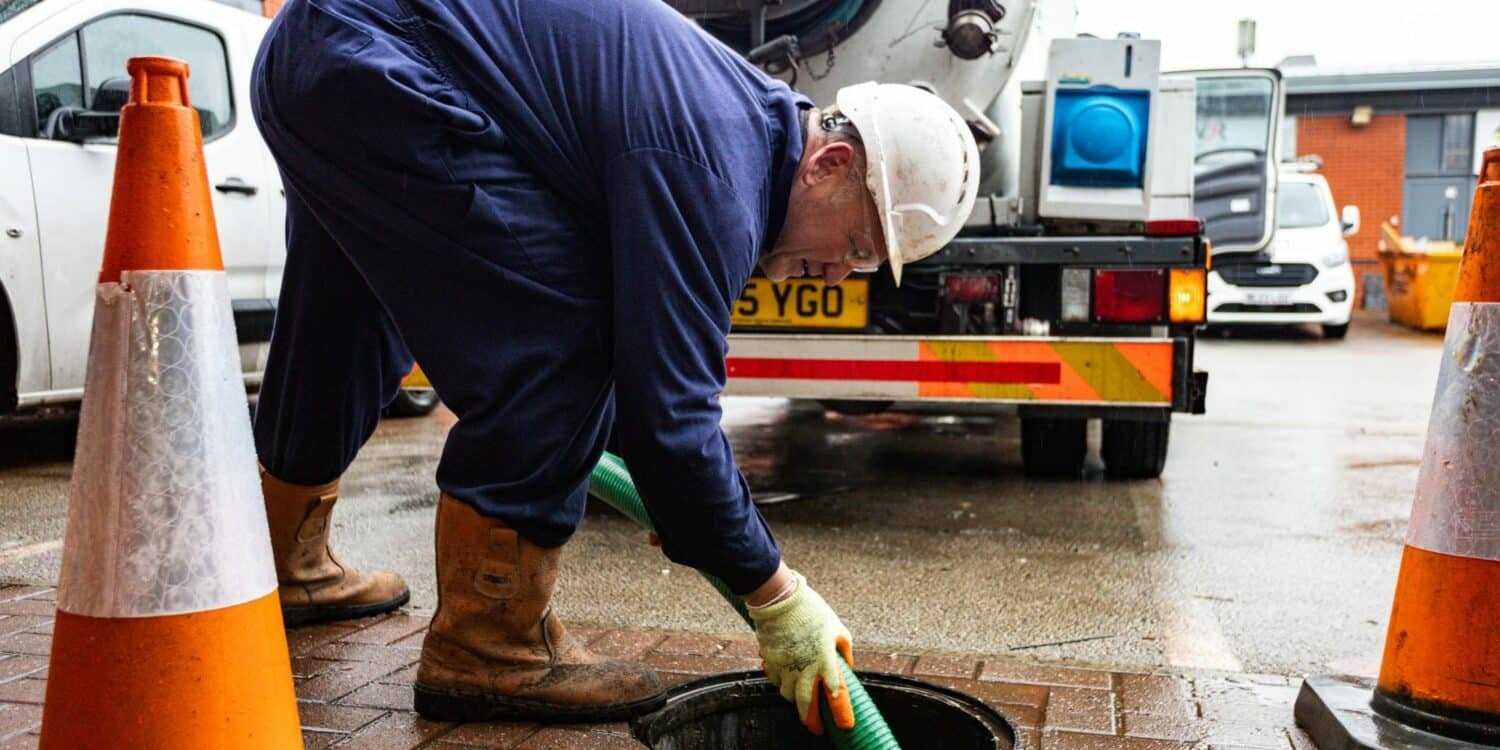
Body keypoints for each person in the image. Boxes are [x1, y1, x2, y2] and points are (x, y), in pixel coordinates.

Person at [249, 0, 978, 733]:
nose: (833, 277)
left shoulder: (738, 124)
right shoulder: (718, 173)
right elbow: (670, 421)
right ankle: (490, 644)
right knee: (563, 342)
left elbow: (655, 405)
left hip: (316, 52)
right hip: (380, 64)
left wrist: (684, 502)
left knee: (343, 313)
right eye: (855, 246)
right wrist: (778, 597)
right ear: (831, 163)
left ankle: (283, 561)